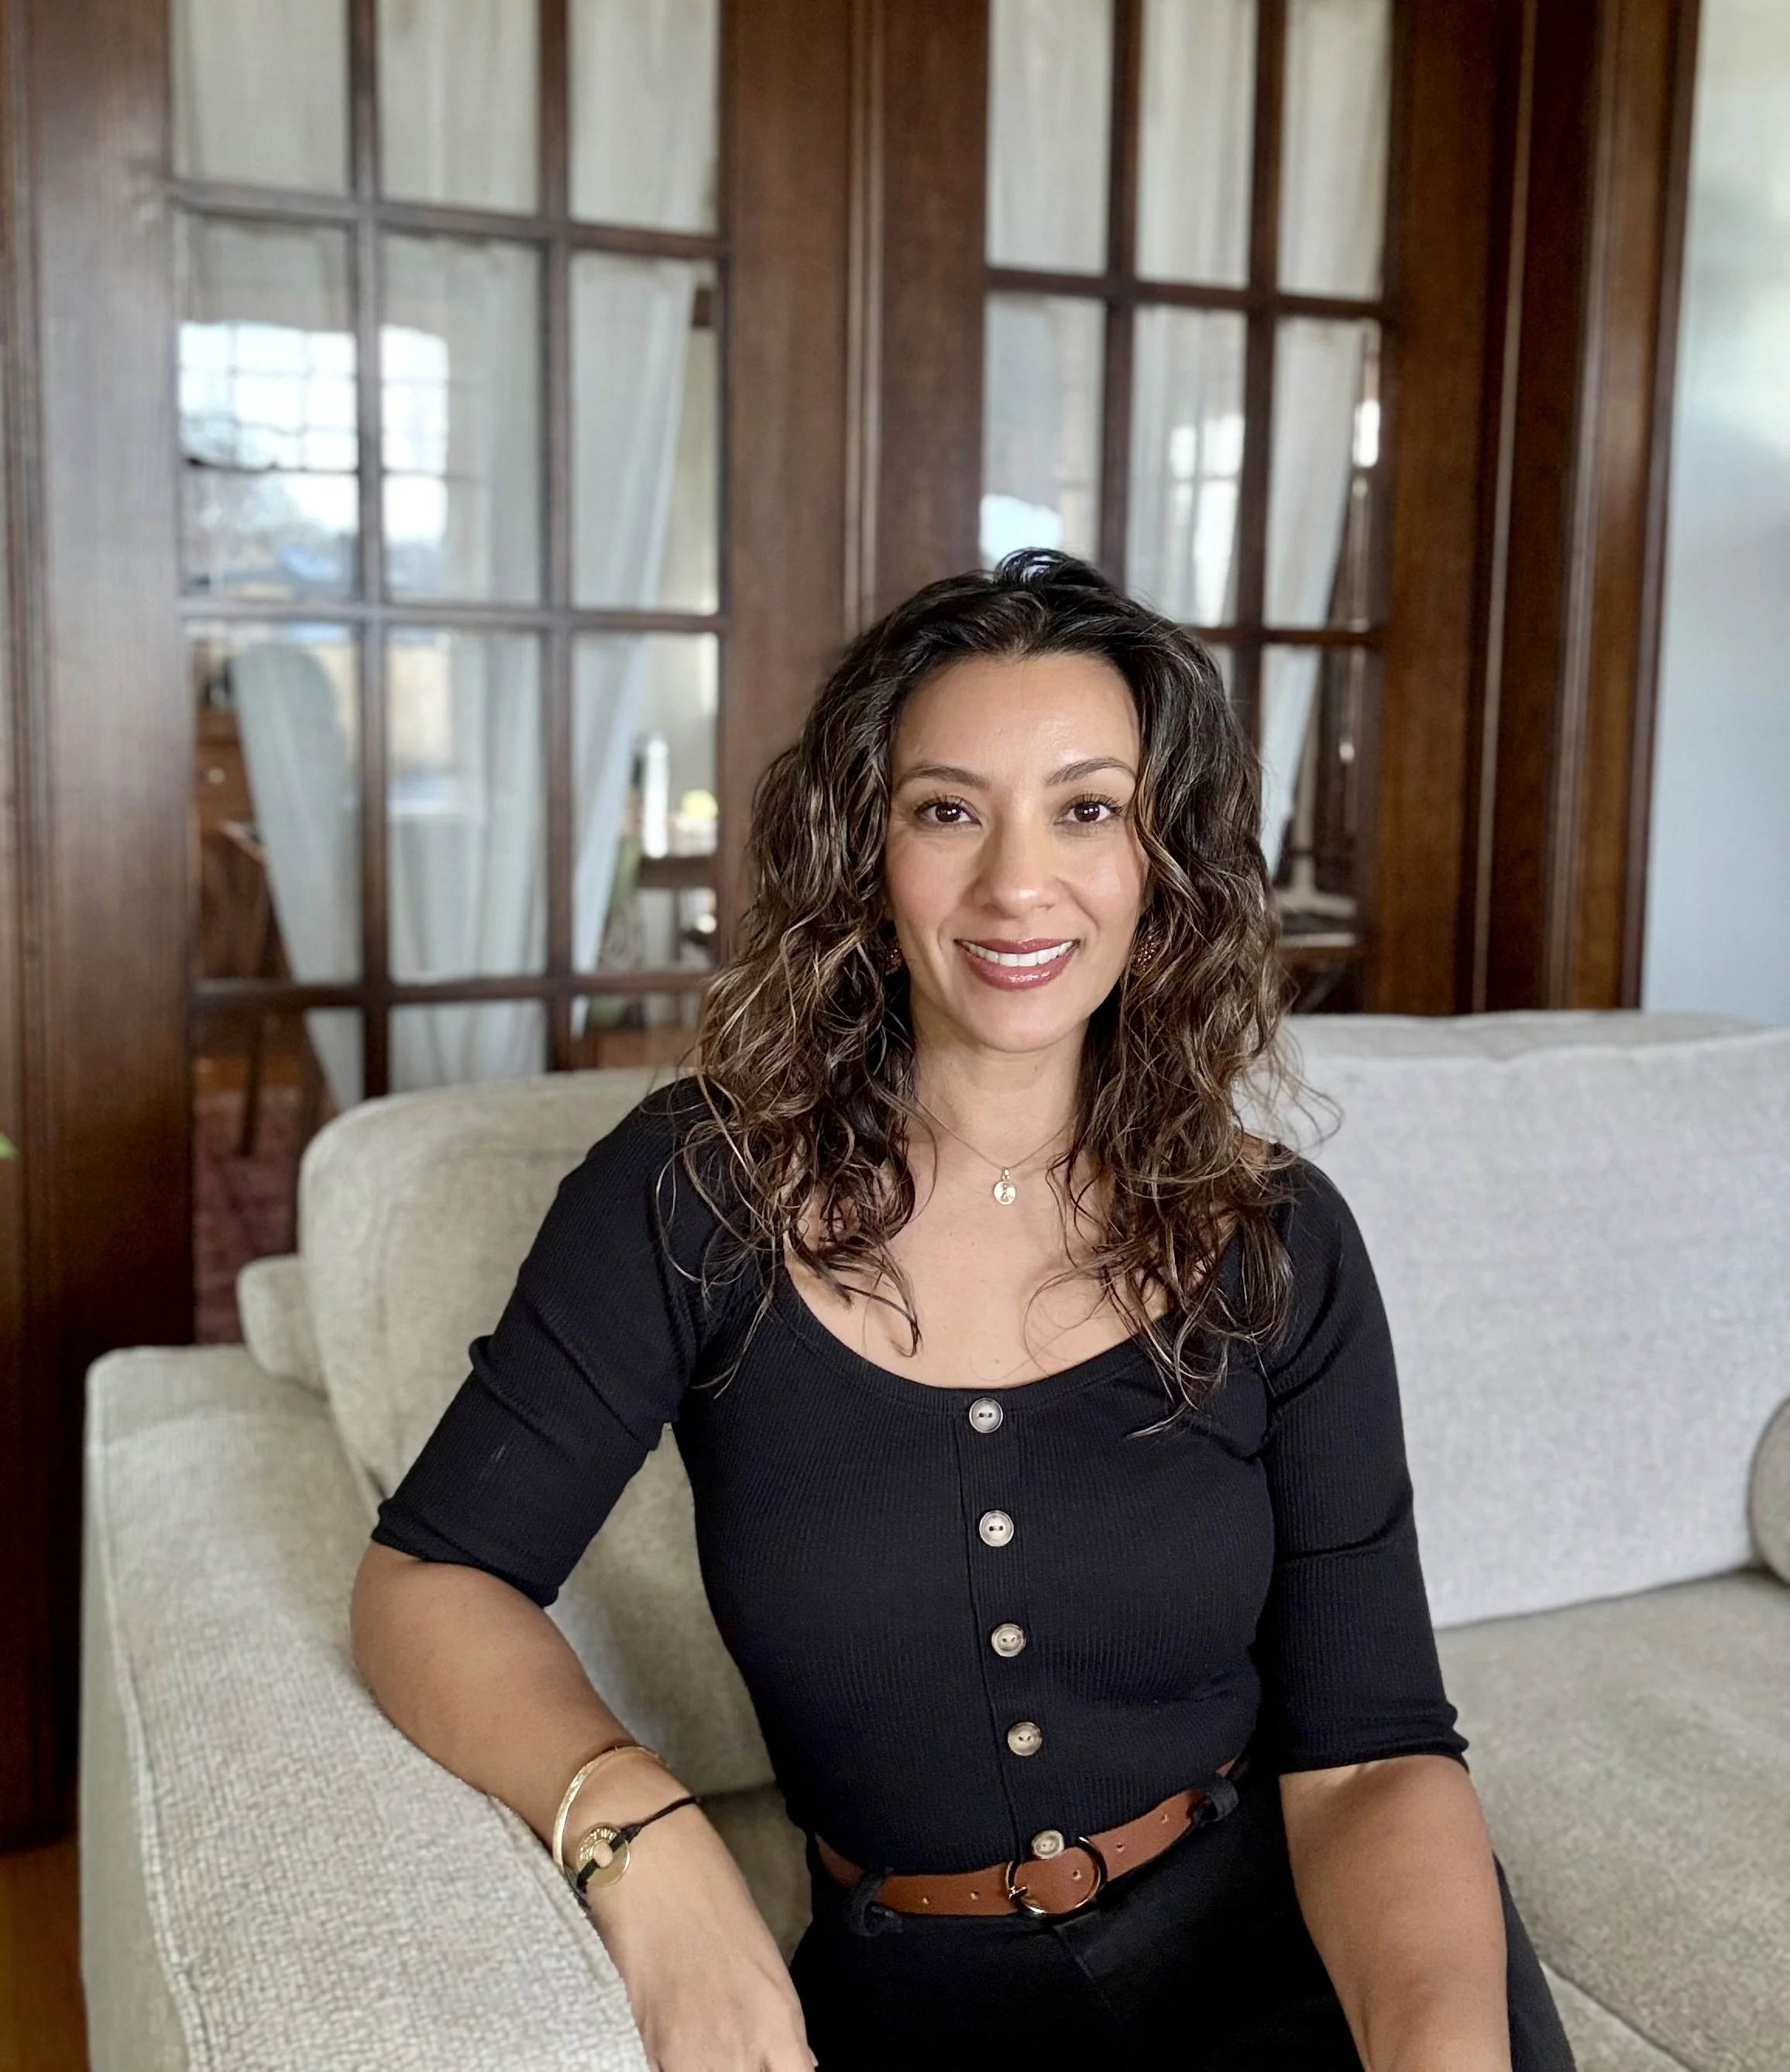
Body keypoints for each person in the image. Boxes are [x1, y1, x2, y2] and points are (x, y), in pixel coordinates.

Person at [351, 552, 1577, 2072]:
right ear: (865, 850)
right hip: (910, 2003)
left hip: (1286, 1960)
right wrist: (631, 1826)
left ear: (1164, 862)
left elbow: (1373, 1750)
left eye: (1087, 809)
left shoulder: (1277, 1240)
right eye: (948, 810)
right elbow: (433, 1578)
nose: (1016, 882)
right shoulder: (693, 1194)